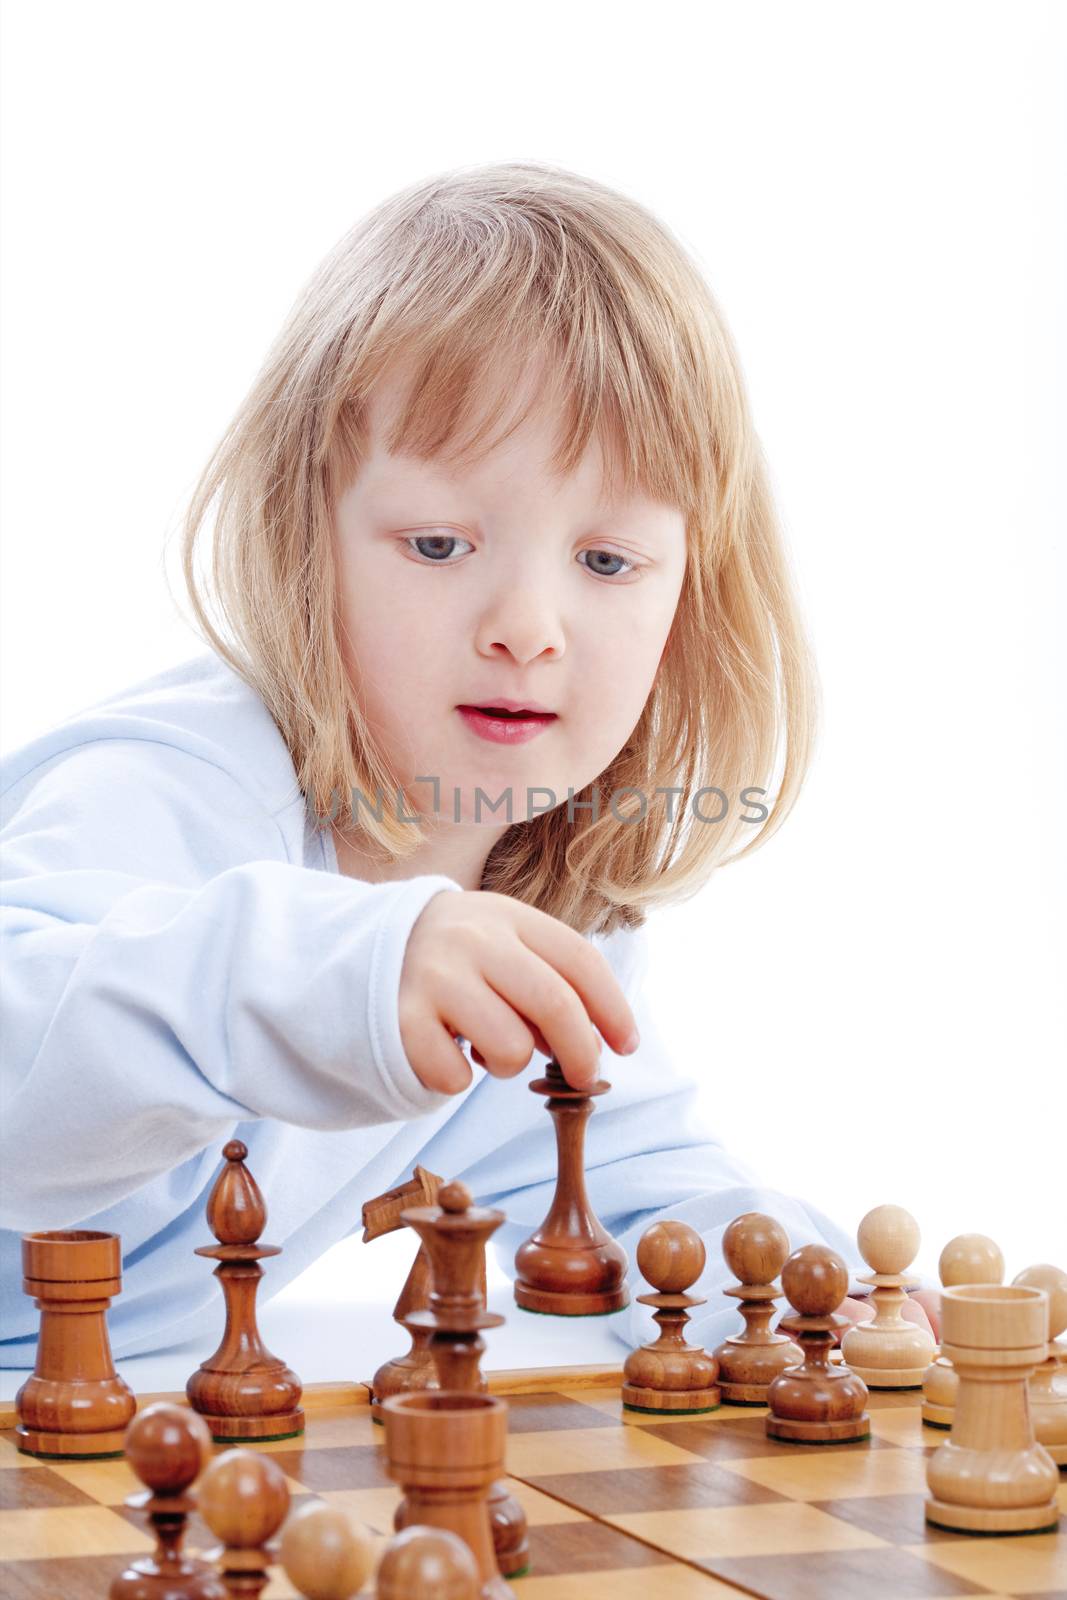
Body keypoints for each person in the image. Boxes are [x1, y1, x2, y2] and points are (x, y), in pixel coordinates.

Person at [0, 162, 937, 1365]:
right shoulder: (178, 779)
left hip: (96, 1435)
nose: (527, 624)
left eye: (606, 563)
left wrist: (796, 1293)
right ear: (305, 542)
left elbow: (629, 1179)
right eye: (438, 542)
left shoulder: (533, 895)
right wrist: (345, 972)